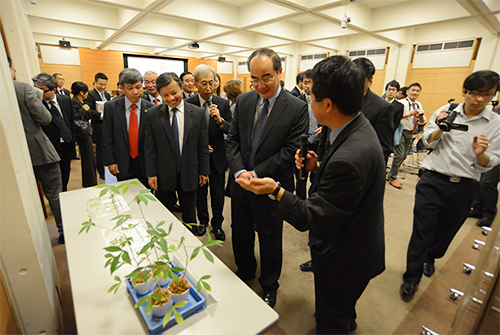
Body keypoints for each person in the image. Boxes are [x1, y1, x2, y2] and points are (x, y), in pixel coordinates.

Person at [236, 55, 386, 333]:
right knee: (340, 309)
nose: (309, 102)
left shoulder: (349, 155)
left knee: (333, 319)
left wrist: (276, 190)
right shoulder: (355, 126)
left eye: (312, 96)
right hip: (355, 241)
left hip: (344, 254)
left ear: (328, 104)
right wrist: (318, 167)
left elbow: (310, 215)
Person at [400, 70, 500, 298]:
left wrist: (480, 154)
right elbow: (424, 142)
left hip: (465, 186)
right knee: (422, 230)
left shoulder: (495, 124)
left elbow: (490, 163)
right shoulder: (446, 112)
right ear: (465, 91)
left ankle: (431, 257)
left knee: (447, 230)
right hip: (433, 179)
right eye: (476, 93)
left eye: (488, 95)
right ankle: (411, 277)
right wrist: (440, 129)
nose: (481, 100)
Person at [226, 48, 308, 308]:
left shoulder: (297, 107)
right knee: (240, 231)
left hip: (272, 186)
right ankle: (246, 270)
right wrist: (240, 172)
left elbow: (289, 151)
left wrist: (256, 173)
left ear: (280, 72)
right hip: (241, 183)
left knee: (270, 238)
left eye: (267, 77)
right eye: (254, 78)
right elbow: (233, 141)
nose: (260, 84)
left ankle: (270, 284)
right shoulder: (244, 101)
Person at [10, 56, 65, 244]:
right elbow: (45, 118)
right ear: (9, 68)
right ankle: (63, 230)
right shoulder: (23, 89)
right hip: (38, 150)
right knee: (54, 193)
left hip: (12, 157)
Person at [144, 72, 209, 229]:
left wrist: (204, 170)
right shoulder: (153, 114)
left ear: (181, 88)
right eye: (165, 95)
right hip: (163, 174)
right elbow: (149, 147)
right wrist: (151, 173)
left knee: (189, 213)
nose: (171, 98)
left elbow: (202, 146)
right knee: (164, 214)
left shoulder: (198, 113)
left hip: (190, 172)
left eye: (174, 93)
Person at [185, 64, 232, 240]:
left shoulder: (223, 104)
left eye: (211, 83)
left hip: (218, 156)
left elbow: (232, 130)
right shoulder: (188, 104)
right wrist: (200, 146)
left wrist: (220, 121)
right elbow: (186, 133)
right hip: (198, 157)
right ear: (195, 84)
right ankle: (203, 221)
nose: (208, 87)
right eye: (203, 83)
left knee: (218, 193)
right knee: (201, 193)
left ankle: (217, 224)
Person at [102, 68, 154, 187]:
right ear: (122, 88)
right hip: (122, 162)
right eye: (130, 88)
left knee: (147, 196)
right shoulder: (112, 107)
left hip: (145, 163)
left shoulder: (151, 108)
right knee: (126, 194)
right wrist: (110, 161)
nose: (135, 92)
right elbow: (107, 137)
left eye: (138, 87)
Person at [33, 72, 75, 192]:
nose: (38, 93)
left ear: (54, 90)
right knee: (53, 178)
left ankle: (64, 193)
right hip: (50, 146)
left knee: (65, 172)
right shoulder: (36, 104)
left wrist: (72, 140)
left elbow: (70, 121)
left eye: (42, 90)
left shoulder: (65, 100)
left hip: (66, 143)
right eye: (36, 89)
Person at [352, 57, 394, 162]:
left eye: (360, 80)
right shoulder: (338, 99)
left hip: (362, 166)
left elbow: (384, 147)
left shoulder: (383, 107)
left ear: (370, 80)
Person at [387, 83, 426, 189]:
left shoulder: (418, 105)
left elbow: (423, 121)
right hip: (401, 131)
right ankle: (392, 176)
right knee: (399, 155)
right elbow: (394, 117)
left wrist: (420, 118)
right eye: (413, 90)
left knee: (404, 155)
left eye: (417, 91)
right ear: (407, 92)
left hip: (411, 133)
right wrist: (409, 114)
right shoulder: (401, 103)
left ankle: (391, 173)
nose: (415, 92)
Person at [71, 81, 97, 188]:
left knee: (89, 157)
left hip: (86, 132)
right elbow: (74, 118)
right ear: (82, 92)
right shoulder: (75, 102)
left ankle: (90, 181)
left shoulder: (80, 101)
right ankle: (89, 182)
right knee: (87, 157)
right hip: (82, 134)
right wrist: (83, 110)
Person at [84, 72, 111, 180]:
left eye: (105, 85)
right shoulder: (90, 94)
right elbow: (88, 109)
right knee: (100, 150)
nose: (103, 87)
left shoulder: (107, 94)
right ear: (94, 83)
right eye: (100, 84)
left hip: (107, 125)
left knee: (108, 148)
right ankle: (101, 171)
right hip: (98, 126)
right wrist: (100, 115)